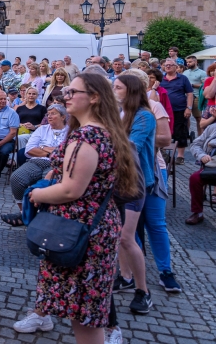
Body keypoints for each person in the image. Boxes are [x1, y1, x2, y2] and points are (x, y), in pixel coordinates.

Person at [13, 73, 139, 343]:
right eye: (65, 92)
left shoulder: (87, 137)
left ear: (94, 97)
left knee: (84, 316)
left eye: (72, 92)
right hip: (92, 225)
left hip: (80, 230)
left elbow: (71, 189)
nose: (64, 97)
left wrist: (37, 193)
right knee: (84, 313)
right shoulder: (105, 132)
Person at [111, 74, 156, 318]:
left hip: (134, 182)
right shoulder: (117, 113)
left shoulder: (144, 116)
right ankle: (125, 276)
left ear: (131, 91)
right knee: (117, 235)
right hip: (114, 182)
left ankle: (143, 291)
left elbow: (130, 145)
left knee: (127, 238)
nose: (113, 90)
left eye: (117, 87)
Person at [1, 104, 69, 227]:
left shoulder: (70, 131)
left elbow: (67, 152)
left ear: (63, 116)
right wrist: (53, 152)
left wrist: (43, 147)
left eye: (53, 113)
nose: (49, 116)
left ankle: (41, 216)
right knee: (17, 178)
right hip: (37, 161)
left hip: (56, 165)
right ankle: (24, 213)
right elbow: (29, 149)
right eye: (48, 114)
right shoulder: (42, 129)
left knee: (47, 183)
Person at [161, 58, 194, 163]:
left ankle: (180, 156)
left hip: (179, 109)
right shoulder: (161, 78)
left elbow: (189, 93)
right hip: (164, 111)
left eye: (170, 65)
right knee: (164, 132)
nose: (168, 66)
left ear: (176, 67)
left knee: (181, 132)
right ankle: (164, 154)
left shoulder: (183, 78)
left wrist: (189, 108)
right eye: (166, 65)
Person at [184, 56, 207, 135]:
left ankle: (200, 136)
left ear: (196, 62)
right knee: (186, 117)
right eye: (187, 62)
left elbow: (204, 85)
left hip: (197, 96)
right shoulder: (185, 72)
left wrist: (192, 85)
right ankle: (186, 134)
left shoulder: (202, 73)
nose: (188, 63)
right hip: (185, 97)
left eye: (190, 62)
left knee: (198, 117)